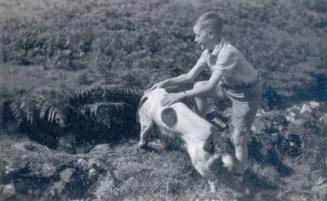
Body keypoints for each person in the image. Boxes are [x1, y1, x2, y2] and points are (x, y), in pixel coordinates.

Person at [150, 12, 262, 175]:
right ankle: (200, 130)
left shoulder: (227, 53)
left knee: (238, 138)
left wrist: (181, 95)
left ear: (210, 34)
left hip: (247, 94)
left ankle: (240, 173)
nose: (195, 40)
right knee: (198, 85)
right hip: (229, 87)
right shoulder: (208, 52)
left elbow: (211, 85)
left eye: (197, 35)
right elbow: (189, 76)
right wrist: (166, 82)